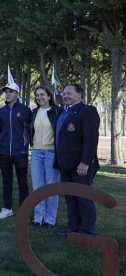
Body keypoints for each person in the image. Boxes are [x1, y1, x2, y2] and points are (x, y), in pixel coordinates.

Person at [55, 83, 100, 237]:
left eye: (70, 93)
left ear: (80, 94)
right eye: (64, 93)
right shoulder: (63, 113)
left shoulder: (87, 111)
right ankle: (73, 228)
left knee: (84, 198)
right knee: (70, 197)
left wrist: (85, 162)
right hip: (65, 164)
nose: (65, 95)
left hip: (80, 165)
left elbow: (91, 139)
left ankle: (87, 231)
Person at [0, 82, 32, 219]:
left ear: (17, 93)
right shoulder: (1, 111)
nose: (8, 94)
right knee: (6, 181)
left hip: (20, 153)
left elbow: (30, 130)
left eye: (11, 91)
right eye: (6, 92)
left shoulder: (25, 110)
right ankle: (7, 208)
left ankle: (24, 210)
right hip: (4, 153)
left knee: (22, 182)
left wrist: (24, 144)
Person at [29, 86, 62, 227]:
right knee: (37, 187)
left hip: (52, 153)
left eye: (42, 95)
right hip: (36, 153)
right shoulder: (34, 112)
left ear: (49, 96)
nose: (39, 97)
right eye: (37, 95)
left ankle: (50, 220)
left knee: (51, 188)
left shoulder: (57, 112)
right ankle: (38, 218)